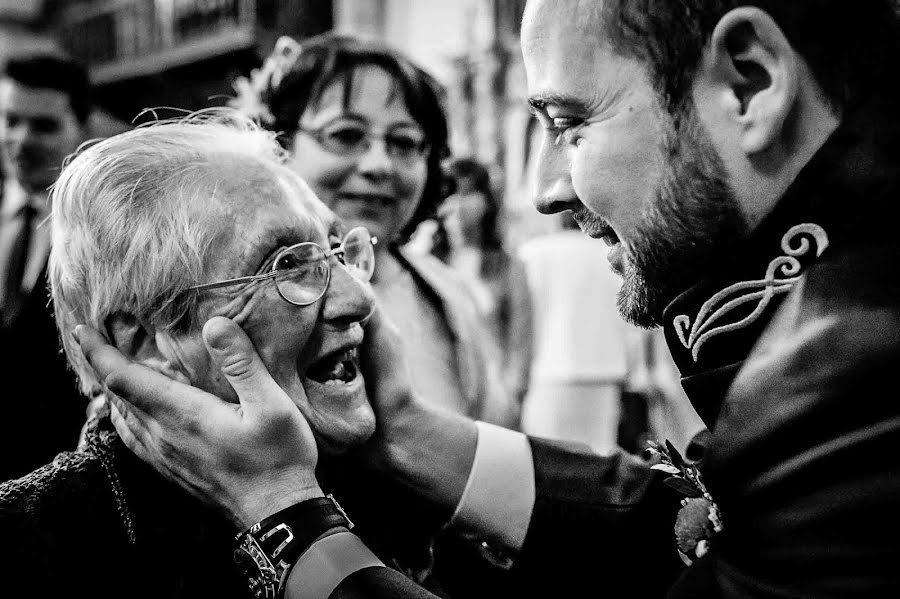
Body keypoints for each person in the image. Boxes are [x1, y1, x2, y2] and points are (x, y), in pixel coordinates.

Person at [75, 1, 900, 597]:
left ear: (750, 84)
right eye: (295, 258)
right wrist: (411, 433)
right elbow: (699, 538)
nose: (546, 190)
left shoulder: (855, 367)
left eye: (570, 125)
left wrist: (282, 513)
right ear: (141, 336)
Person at [0, 112, 449, 598]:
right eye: (288, 264)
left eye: (338, 252)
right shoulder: (26, 548)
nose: (358, 300)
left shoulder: (392, 498)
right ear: (146, 344)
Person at [231, 34, 517, 430]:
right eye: (346, 135)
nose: (379, 164)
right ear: (278, 143)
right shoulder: (238, 297)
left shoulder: (450, 293)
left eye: (404, 142)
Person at [0, 54, 94, 481]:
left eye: (44, 126)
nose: (21, 140)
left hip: (56, 471)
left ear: (82, 127)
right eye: (10, 120)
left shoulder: (98, 231)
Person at [516, 211, 637, 453]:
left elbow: (521, 325)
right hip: (604, 372)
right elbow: (629, 323)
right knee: (599, 460)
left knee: (548, 465)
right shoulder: (611, 255)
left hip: (549, 374)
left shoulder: (532, 253)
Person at [435, 157, 533, 406]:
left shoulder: (508, 265)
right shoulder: (427, 262)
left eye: (468, 193)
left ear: (486, 201)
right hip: (440, 392)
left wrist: (514, 390)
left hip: (495, 395)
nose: (458, 204)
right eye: (450, 195)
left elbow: (521, 336)